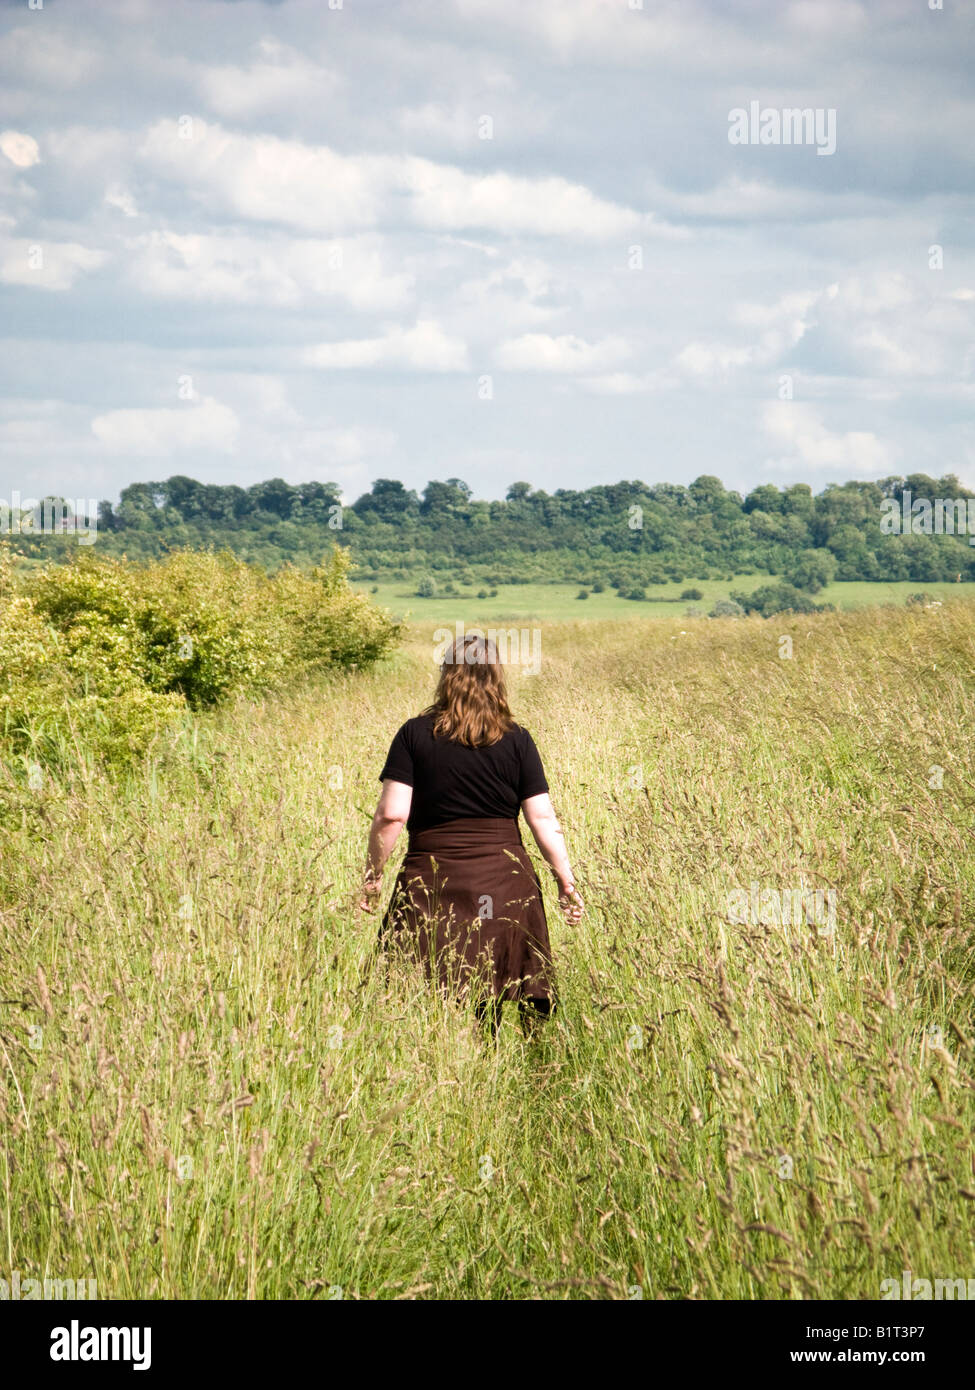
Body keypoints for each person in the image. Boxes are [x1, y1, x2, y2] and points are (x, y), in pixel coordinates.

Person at [359, 632, 583, 1035]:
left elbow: (392, 816)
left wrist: (373, 876)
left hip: (431, 880)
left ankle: (447, 1071)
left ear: (446, 676)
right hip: (505, 882)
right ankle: (504, 1067)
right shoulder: (517, 739)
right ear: (496, 678)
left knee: (423, 988)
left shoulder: (413, 735)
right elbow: (542, 819)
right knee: (497, 984)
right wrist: (563, 880)